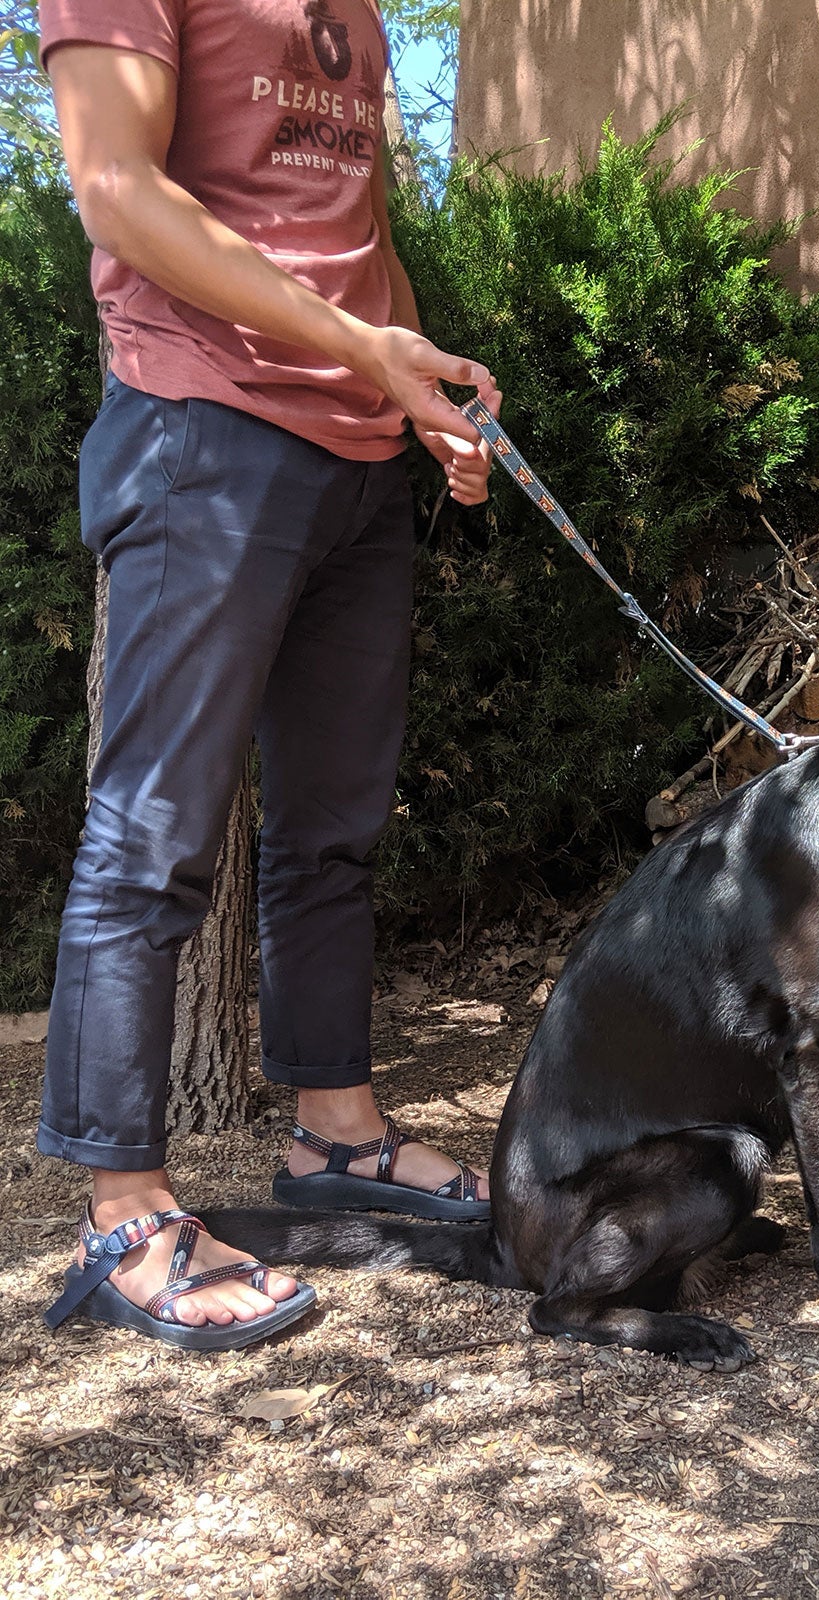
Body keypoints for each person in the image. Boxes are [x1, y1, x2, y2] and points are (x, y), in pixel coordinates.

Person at [37, 0, 503, 1350]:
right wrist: (366, 355)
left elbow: (367, 246)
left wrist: (422, 399)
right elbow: (118, 191)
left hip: (360, 463)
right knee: (153, 835)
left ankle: (335, 1137)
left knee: (335, 834)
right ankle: (125, 1209)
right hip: (204, 430)